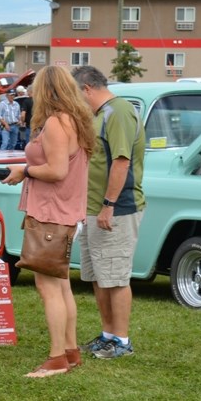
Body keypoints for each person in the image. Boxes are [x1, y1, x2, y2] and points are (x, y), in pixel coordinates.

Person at [1, 65, 95, 378]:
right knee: (62, 285)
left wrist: (24, 171)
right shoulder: (75, 120)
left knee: (48, 287)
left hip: (52, 215)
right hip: (66, 213)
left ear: (46, 90)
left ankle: (57, 358)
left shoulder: (56, 123)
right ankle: (70, 351)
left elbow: (56, 171)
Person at [72, 65, 146, 360]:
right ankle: (107, 336)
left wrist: (108, 205)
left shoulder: (118, 112)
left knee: (115, 277)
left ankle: (122, 341)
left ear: (87, 89)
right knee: (97, 275)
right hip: (92, 210)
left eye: (76, 95)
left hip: (116, 210)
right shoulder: (100, 115)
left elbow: (121, 162)